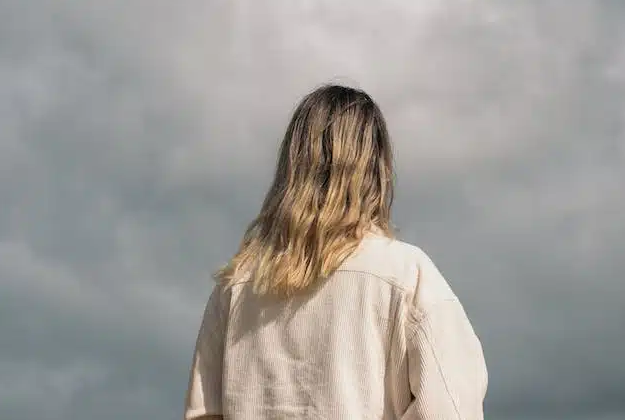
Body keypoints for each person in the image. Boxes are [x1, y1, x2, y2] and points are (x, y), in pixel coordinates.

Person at [184, 83, 488, 420]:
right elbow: (452, 409)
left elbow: (204, 414)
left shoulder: (235, 286)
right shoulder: (407, 276)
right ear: (377, 169)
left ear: (292, 165)